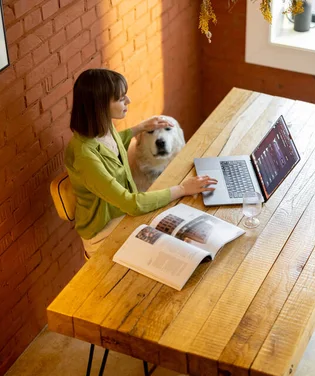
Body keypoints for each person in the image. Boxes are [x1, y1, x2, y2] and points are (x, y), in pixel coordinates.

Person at [65, 69, 217, 257]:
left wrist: (141, 128)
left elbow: (111, 146)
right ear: (101, 105)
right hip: (104, 233)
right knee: (178, 249)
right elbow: (132, 204)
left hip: (122, 214)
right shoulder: (84, 157)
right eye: (121, 99)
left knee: (189, 233)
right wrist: (183, 189)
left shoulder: (102, 128)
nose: (128, 101)